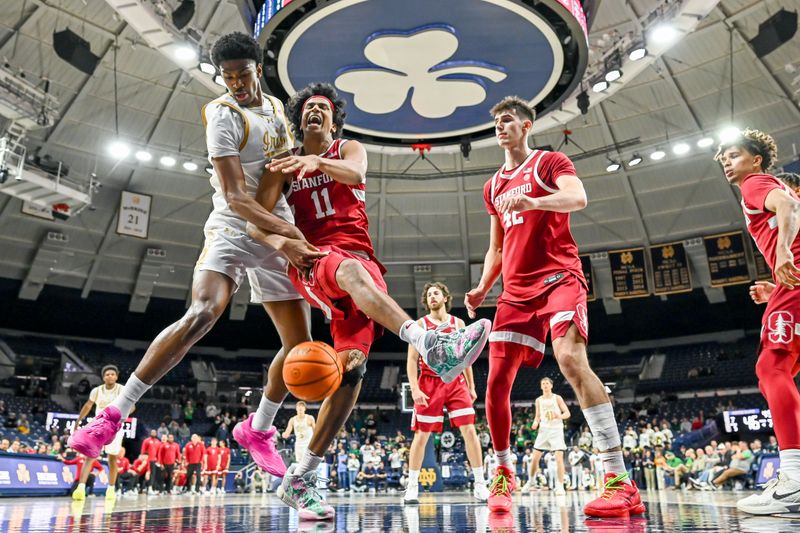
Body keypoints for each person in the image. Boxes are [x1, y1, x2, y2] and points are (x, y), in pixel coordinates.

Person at [68, 32, 324, 484]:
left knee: (298, 346)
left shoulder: (278, 110)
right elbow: (235, 197)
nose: (236, 84)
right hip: (233, 223)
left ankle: (258, 429)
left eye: (242, 75)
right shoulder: (221, 116)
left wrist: (289, 224)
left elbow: (276, 178)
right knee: (203, 314)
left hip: (273, 221)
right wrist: (289, 234)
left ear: (257, 69)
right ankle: (113, 415)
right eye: (227, 78)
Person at [246, 82, 491, 520]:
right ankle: (432, 344)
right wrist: (286, 248)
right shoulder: (281, 166)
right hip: (316, 258)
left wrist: (317, 160)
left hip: (363, 265)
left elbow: (356, 174)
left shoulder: (348, 148)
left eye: (322, 107)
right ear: (299, 120)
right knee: (351, 272)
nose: (314, 112)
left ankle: (301, 476)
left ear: (334, 120)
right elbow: (255, 225)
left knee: (352, 371)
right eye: (307, 109)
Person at [465, 96, 643, 517]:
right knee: (495, 384)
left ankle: (619, 479)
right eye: (496, 122)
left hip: (559, 277)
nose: (500, 127)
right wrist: (481, 287)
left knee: (569, 360)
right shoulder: (492, 185)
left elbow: (577, 198)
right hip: (515, 293)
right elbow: (496, 246)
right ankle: (504, 474)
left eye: (508, 120)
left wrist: (535, 202)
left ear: (526, 126)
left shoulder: (549, 163)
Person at [716, 129, 800, 514]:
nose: (727, 162)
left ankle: (795, 477)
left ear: (756, 160)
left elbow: (787, 206)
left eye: (734, 155)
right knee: (777, 373)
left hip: (795, 280)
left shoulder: (756, 184)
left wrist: (783, 252)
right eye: (724, 158)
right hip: (789, 285)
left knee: (772, 368)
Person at [404, 282, 489, 504]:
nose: (432, 297)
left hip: (456, 381)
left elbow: (466, 357)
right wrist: (414, 388)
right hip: (429, 382)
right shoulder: (420, 324)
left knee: (470, 430)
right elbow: (412, 360)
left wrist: (470, 386)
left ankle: (480, 484)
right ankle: (412, 487)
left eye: (436, 293)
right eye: (429, 294)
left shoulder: (458, 322)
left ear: (444, 298)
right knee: (422, 435)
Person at [71, 365, 126, 501]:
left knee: (112, 459)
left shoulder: (122, 390)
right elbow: (88, 405)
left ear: (117, 376)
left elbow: (132, 406)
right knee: (90, 456)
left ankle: (111, 489)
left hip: (115, 427)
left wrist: (122, 415)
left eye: (113, 374)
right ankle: (81, 488)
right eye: (107, 374)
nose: (110, 376)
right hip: (98, 427)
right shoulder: (96, 391)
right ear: (103, 377)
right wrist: (79, 420)